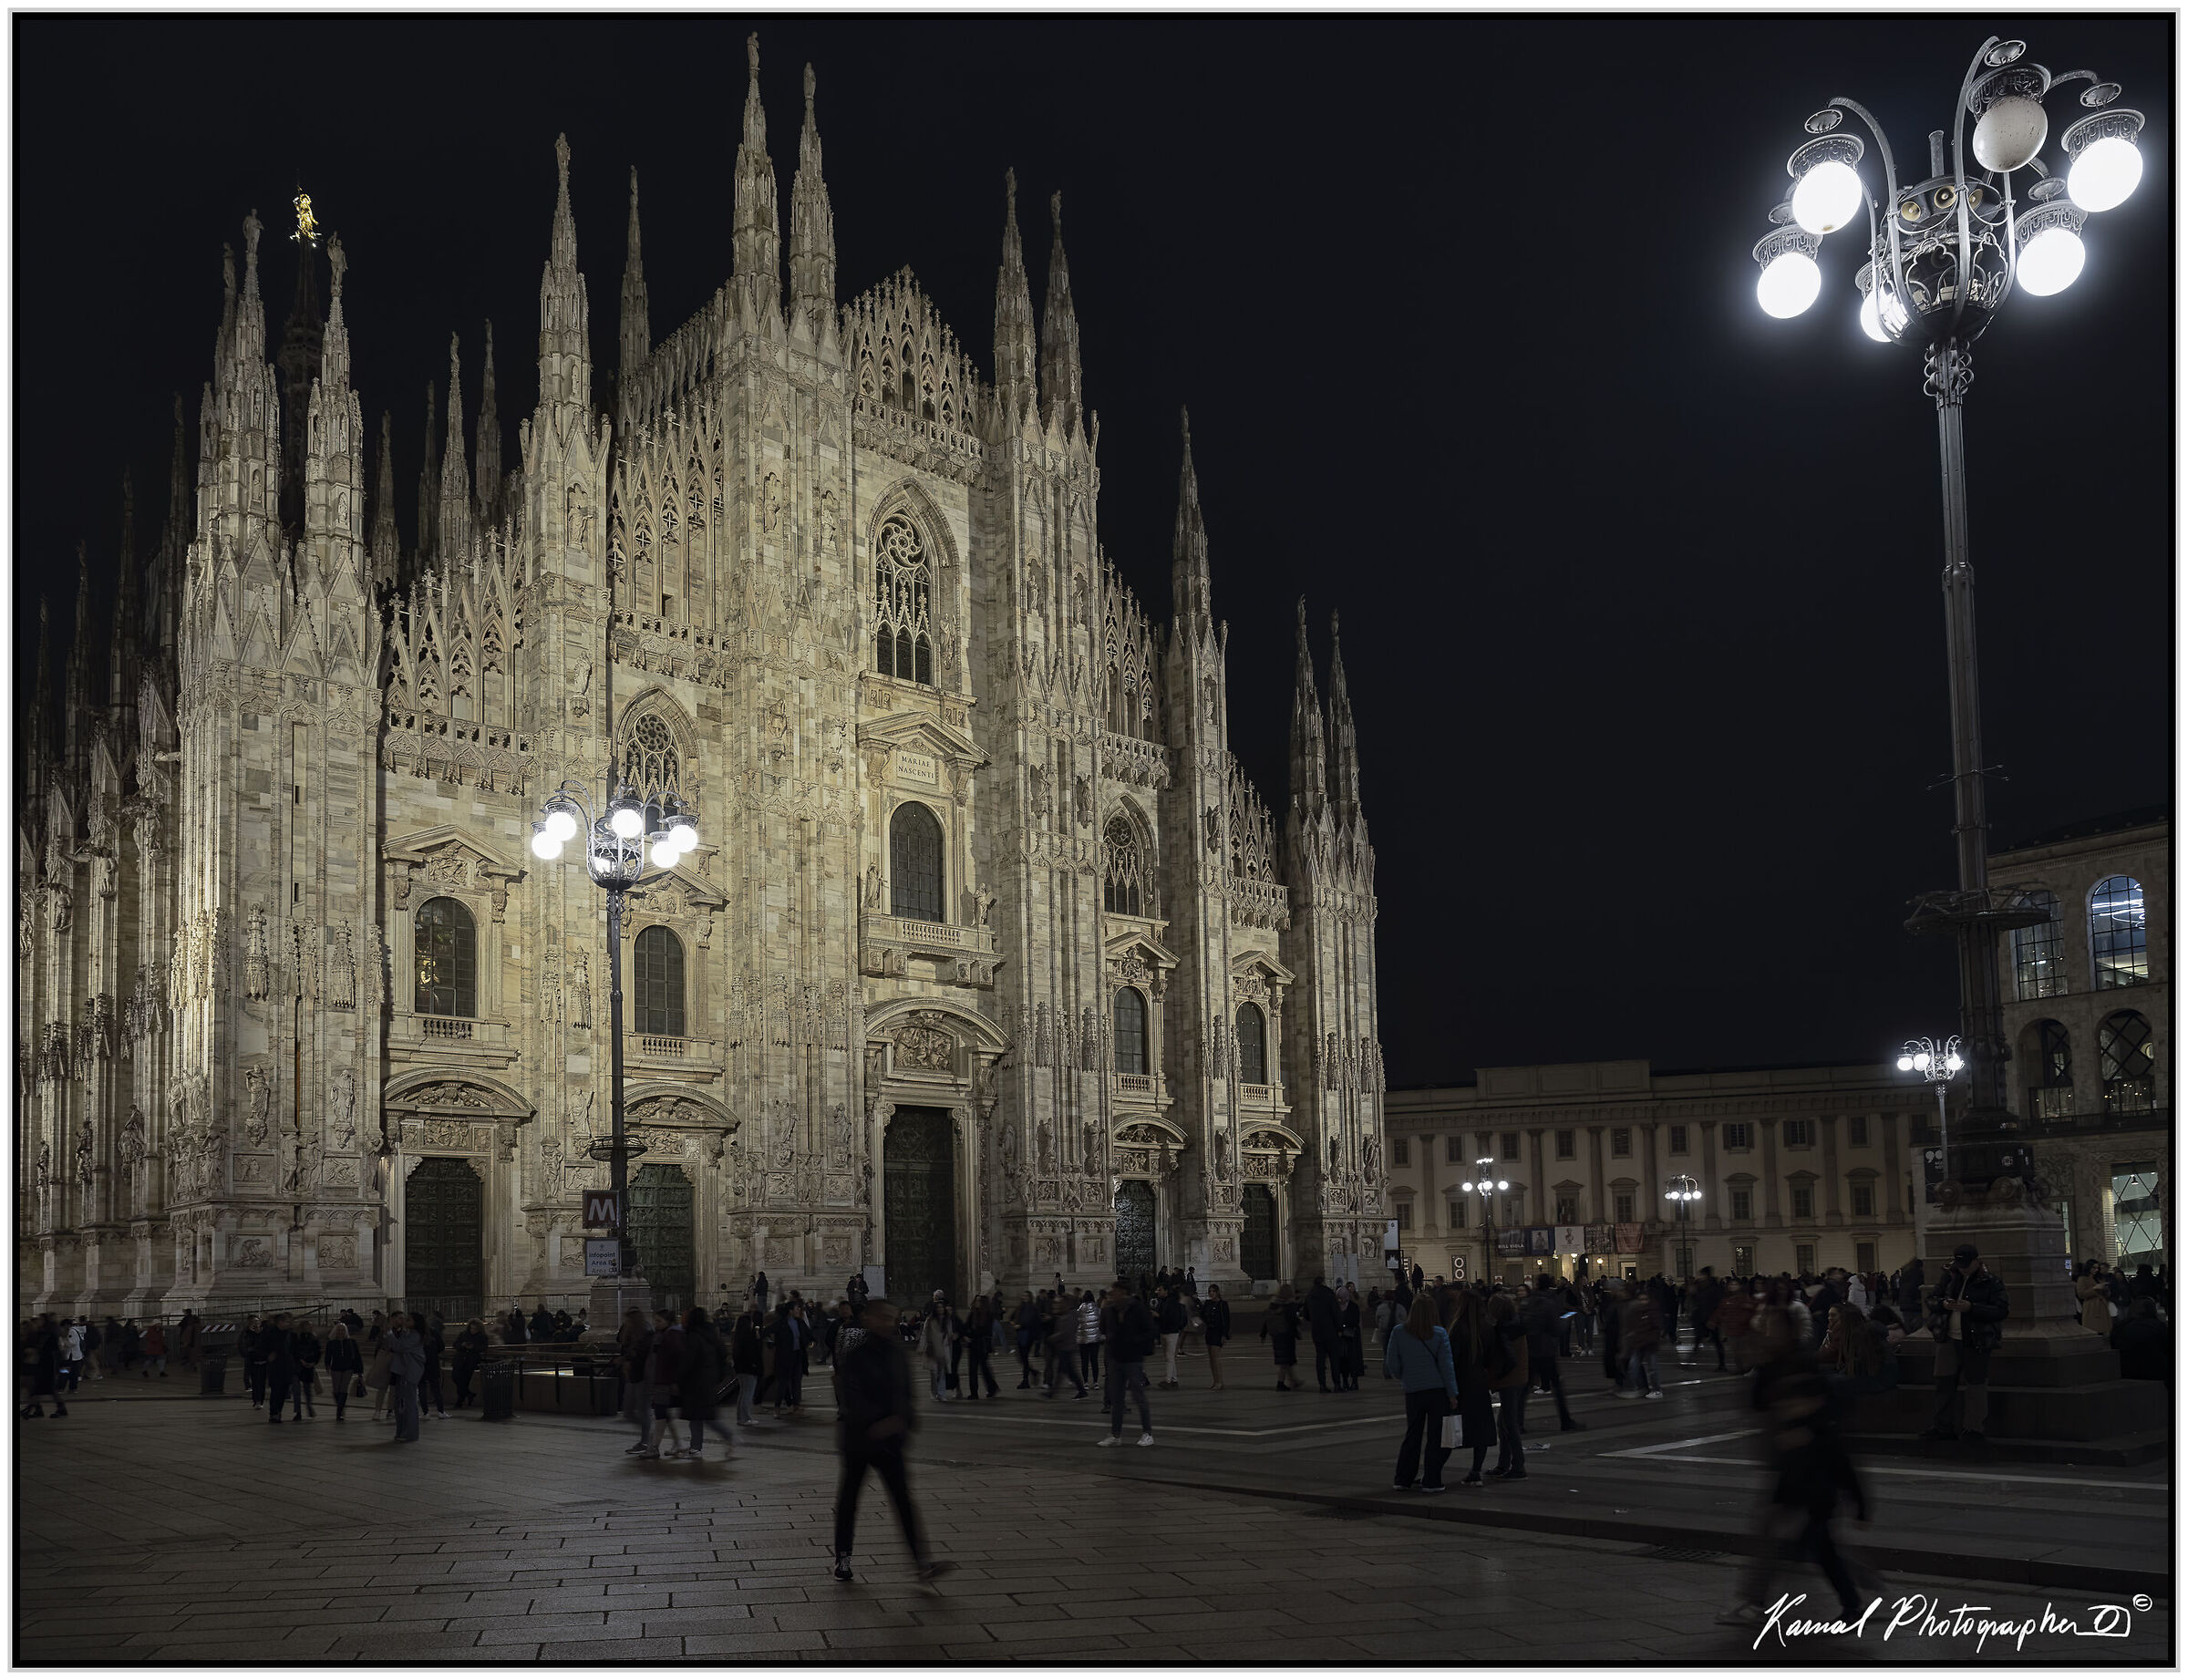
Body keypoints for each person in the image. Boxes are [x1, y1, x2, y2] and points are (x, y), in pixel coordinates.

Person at [1717, 1307, 1870, 1629]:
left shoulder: (1802, 1370)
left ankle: (1754, 1599)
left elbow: (1835, 1444)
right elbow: (1758, 1401)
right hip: (1793, 1472)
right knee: (1811, 1542)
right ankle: (1857, 1595)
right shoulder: (1775, 1367)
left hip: (1808, 1475)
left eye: (1774, 1327)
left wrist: (1859, 1503)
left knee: (1798, 1540)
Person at [831, 1295, 954, 1585]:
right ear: (869, 1320)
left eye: (893, 1317)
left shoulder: (897, 1352)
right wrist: (880, 1422)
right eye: (884, 1317)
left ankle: (922, 1563)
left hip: (889, 1441)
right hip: (860, 1440)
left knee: (903, 1502)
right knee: (849, 1501)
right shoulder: (857, 1354)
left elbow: (906, 1394)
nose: (890, 1322)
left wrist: (904, 1418)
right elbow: (851, 1398)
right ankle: (843, 1558)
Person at [1922, 1241, 2007, 1445]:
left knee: (1976, 1386)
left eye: (1966, 1265)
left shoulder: (1991, 1282)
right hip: (1948, 1338)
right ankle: (1942, 1426)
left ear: (1977, 1261)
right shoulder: (1950, 1276)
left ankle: (1974, 1429)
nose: (1963, 1269)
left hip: (1976, 1341)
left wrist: (1972, 1308)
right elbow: (1931, 1299)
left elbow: (2001, 1310)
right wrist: (1943, 1304)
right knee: (1943, 1384)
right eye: (1960, 1265)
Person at [1384, 1293, 1459, 1493]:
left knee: (1413, 1435)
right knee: (1436, 1438)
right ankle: (1432, 1480)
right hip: (1437, 1392)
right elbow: (1446, 1366)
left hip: (1413, 1391)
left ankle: (1403, 1478)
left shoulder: (1399, 1332)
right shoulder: (1440, 1333)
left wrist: (1405, 1376)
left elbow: (1392, 1363)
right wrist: (1452, 1393)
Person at [1439, 1289, 1499, 1488]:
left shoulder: (1457, 1328)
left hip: (1461, 1384)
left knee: (1450, 1429)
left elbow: (1451, 1360)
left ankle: (1434, 1471)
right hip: (1479, 1384)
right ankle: (1475, 1471)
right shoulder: (1486, 1328)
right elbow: (1492, 1359)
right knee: (1480, 1430)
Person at [1097, 1279, 1157, 1448]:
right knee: (1117, 1399)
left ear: (1123, 1293)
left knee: (1139, 1397)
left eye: (1115, 1292)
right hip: (1116, 1358)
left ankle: (1147, 1433)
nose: (1112, 1295)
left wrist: (1134, 1341)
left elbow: (1151, 1330)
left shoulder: (1138, 1309)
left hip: (1133, 1359)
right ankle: (1116, 1434)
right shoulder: (1109, 1310)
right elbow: (1102, 1329)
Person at [1520, 1276, 1584, 1431]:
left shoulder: (1528, 1302)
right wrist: (1564, 1322)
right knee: (1557, 1387)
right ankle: (1565, 1420)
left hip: (1530, 1349)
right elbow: (1556, 1329)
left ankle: (1517, 1422)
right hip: (1546, 1350)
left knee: (1524, 1388)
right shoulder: (1549, 1303)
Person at [1484, 1293, 1532, 1481]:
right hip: (1520, 1378)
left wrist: (1497, 1376)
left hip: (1509, 1381)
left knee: (1509, 1423)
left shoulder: (1502, 1330)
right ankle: (1504, 1464)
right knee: (1504, 1422)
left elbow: (1509, 1359)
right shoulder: (1517, 1325)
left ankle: (1518, 1465)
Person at [678, 1306, 729, 1461]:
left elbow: (688, 1361)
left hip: (697, 1383)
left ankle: (698, 1447)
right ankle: (696, 1448)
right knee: (701, 1417)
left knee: (700, 1416)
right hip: (708, 1380)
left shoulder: (694, 1336)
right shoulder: (709, 1333)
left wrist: (678, 1378)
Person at [640, 1309, 686, 1458]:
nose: (656, 1324)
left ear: (669, 1321)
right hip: (660, 1380)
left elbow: (672, 1360)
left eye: (659, 1321)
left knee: (660, 1413)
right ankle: (678, 1443)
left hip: (664, 1381)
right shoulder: (661, 1335)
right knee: (663, 1413)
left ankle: (654, 1448)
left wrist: (673, 1380)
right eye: (655, 1320)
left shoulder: (671, 1336)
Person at [1619, 1281, 1666, 1399]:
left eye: (1644, 1299)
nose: (1642, 1302)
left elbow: (1657, 1327)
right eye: (1640, 1300)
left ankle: (1656, 1389)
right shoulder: (1637, 1311)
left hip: (1649, 1343)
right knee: (1634, 1365)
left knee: (1652, 1367)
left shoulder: (1652, 1311)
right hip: (1639, 1342)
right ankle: (1634, 1386)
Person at [386, 1314, 425, 1443]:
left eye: (408, 1319)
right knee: (400, 1403)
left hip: (409, 1371)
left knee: (409, 1403)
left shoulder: (415, 1335)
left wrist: (390, 1333)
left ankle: (410, 1433)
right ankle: (402, 1431)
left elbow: (398, 1346)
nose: (404, 1321)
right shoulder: (408, 1333)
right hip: (402, 1370)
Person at [2111, 1297, 2169, 1383]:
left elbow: (2114, 1346)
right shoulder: (2158, 1326)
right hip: (2156, 1370)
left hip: (2127, 1370)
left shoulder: (2120, 1327)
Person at [1041, 1293, 1086, 1399]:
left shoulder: (1070, 1316)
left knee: (1061, 1372)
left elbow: (1066, 1333)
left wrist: (1052, 1338)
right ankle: (1082, 1390)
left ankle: (1052, 1393)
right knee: (1070, 1372)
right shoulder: (1067, 1315)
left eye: (1061, 1303)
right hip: (1064, 1347)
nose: (1059, 1305)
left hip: (1067, 1347)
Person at [1263, 1283, 1304, 1391]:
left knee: (1287, 1360)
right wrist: (1298, 1333)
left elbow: (1266, 1320)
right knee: (1285, 1362)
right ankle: (1280, 1383)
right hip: (1286, 1335)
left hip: (1276, 1336)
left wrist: (1263, 1334)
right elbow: (1292, 1321)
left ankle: (1294, 1380)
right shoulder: (1288, 1305)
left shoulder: (1273, 1303)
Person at [23, 1315, 65, 1418]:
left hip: (48, 1364)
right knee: (39, 1388)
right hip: (41, 1364)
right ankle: (35, 1408)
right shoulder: (40, 1334)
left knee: (47, 1388)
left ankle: (34, 1409)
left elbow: (56, 1351)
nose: (39, 1322)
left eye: (41, 1320)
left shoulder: (50, 1335)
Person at [730, 1304, 766, 1426]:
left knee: (743, 1392)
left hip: (741, 1367)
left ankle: (741, 1417)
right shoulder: (748, 1337)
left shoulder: (738, 1338)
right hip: (748, 1367)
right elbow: (752, 1352)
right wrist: (754, 1364)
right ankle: (745, 1418)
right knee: (747, 1393)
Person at [1305, 1275, 1341, 1392]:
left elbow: (1306, 1315)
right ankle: (1337, 1384)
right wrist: (1339, 1328)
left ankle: (1322, 1385)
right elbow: (1336, 1312)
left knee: (1320, 1358)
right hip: (1330, 1330)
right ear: (1323, 1282)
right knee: (1334, 1358)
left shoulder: (1309, 1295)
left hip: (1317, 1331)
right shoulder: (1328, 1293)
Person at [919, 1293, 957, 1403]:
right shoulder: (930, 1320)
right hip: (933, 1349)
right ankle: (933, 1393)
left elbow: (949, 1335)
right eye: (938, 1307)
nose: (940, 1309)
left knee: (942, 1373)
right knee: (934, 1373)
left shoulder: (947, 1320)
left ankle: (941, 1394)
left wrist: (952, 1338)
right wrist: (921, 1348)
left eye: (942, 1307)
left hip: (943, 1350)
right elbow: (924, 1334)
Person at [263, 1314, 299, 1424]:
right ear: (280, 1322)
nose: (289, 1324)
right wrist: (268, 1355)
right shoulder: (270, 1333)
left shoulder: (291, 1334)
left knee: (284, 1391)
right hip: (275, 1366)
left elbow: (295, 1350)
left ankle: (279, 1411)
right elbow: (262, 1347)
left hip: (287, 1366)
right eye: (287, 1322)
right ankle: (274, 1413)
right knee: (276, 1391)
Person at [324, 1321, 364, 1421]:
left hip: (348, 1367)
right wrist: (327, 1365)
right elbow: (328, 1355)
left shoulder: (351, 1342)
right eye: (339, 1330)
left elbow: (357, 1356)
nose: (341, 1332)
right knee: (336, 1389)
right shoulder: (331, 1343)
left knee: (344, 1389)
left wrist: (359, 1370)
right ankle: (340, 1406)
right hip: (336, 1367)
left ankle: (339, 1411)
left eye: (342, 1330)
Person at [1153, 1284, 1187, 1389]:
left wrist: (1157, 1315)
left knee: (1170, 1357)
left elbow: (1170, 1317)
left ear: (1166, 1291)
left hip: (1171, 1332)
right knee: (1169, 1357)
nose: (1158, 1291)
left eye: (1160, 1290)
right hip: (1164, 1331)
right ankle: (1174, 1380)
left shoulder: (1171, 1302)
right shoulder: (1162, 1301)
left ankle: (1168, 1380)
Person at [452, 1319, 490, 1409]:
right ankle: (469, 1394)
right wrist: (462, 1345)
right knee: (455, 1377)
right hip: (460, 1360)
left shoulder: (482, 1337)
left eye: (475, 1329)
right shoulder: (463, 1334)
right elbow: (455, 1344)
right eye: (471, 1328)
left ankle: (459, 1401)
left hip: (471, 1361)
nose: (473, 1330)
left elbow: (484, 1348)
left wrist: (473, 1347)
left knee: (464, 1381)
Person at [419, 1315, 449, 1420]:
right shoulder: (433, 1332)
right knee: (436, 1388)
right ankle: (441, 1411)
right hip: (433, 1363)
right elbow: (441, 1346)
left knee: (422, 1388)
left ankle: (425, 1412)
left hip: (421, 1363)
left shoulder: (417, 1334)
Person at [1202, 1284, 1231, 1390]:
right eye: (1210, 1291)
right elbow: (1202, 1315)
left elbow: (1226, 1321)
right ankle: (1215, 1381)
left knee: (1215, 1357)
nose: (1211, 1293)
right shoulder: (1208, 1303)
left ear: (1217, 1292)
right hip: (1209, 1331)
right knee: (1211, 1359)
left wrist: (1224, 1335)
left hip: (1218, 1333)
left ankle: (1220, 1381)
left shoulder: (1223, 1304)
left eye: (1213, 1291)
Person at [1335, 1285, 1363, 1391]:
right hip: (1341, 1338)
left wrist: (1344, 1327)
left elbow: (1355, 1321)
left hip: (1351, 1337)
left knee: (1353, 1360)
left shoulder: (1353, 1306)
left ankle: (1354, 1381)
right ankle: (1345, 1380)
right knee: (1343, 1360)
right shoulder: (1337, 1307)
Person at [293, 1321, 323, 1419]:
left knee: (307, 1390)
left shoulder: (313, 1338)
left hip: (308, 1366)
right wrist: (301, 1360)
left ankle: (309, 1406)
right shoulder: (297, 1338)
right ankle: (298, 1411)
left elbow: (318, 1352)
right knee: (296, 1391)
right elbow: (294, 1351)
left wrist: (313, 1362)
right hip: (298, 1366)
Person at [2075, 1260, 2114, 1334]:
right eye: (2094, 1268)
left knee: (2104, 1329)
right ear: (2088, 1267)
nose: (2096, 1270)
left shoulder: (2099, 1278)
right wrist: (2094, 1288)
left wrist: (2105, 1289)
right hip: (2091, 1307)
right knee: (2093, 1329)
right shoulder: (2082, 1279)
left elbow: (2107, 1294)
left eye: (2097, 1268)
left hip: (2102, 1306)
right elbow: (2081, 1294)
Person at [363, 1332, 396, 1422]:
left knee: (393, 1388)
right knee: (382, 1387)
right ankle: (378, 1410)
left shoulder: (401, 1332)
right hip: (386, 1360)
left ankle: (390, 1410)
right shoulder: (388, 1333)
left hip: (396, 1362)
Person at [241, 1315, 267, 1407]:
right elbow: (245, 1344)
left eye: (257, 1322)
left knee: (262, 1383)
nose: (256, 1324)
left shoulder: (264, 1333)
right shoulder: (248, 1333)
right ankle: (257, 1401)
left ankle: (261, 1400)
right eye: (254, 1322)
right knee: (256, 1382)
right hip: (253, 1361)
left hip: (263, 1361)